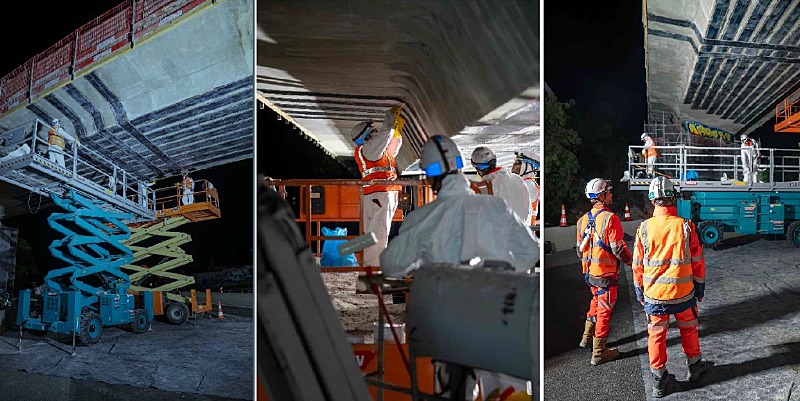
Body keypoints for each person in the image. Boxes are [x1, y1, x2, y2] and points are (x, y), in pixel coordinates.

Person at [380, 135, 537, 400]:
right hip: (500, 314)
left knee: (455, 390)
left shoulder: (423, 219)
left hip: (450, 322)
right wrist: (502, 279)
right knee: (508, 391)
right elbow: (530, 251)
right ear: (461, 167)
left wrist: (423, 265)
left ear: (429, 178)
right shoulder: (495, 207)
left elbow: (391, 266)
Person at [633, 176, 713, 398]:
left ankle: (659, 381)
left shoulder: (644, 229)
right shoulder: (686, 227)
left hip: (655, 296)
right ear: (674, 198)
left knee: (656, 335)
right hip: (683, 294)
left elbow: (637, 265)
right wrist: (700, 288)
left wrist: (639, 290)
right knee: (688, 329)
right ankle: (695, 366)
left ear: (652, 200)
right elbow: (697, 261)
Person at [576, 178, 632, 366]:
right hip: (605, 275)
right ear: (602, 195)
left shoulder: (582, 221)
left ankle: (586, 338)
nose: (612, 195)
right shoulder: (610, 218)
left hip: (590, 274)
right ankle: (599, 352)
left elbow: (579, 251)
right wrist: (633, 262)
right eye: (609, 192)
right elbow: (618, 249)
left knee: (595, 301)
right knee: (604, 311)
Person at [351, 106, 403, 291]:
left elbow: (392, 145)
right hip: (379, 196)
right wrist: (390, 118)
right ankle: (371, 283)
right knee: (377, 238)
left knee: (375, 237)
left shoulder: (375, 152)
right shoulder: (369, 149)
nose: (375, 133)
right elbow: (385, 135)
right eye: (372, 131)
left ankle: (367, 282)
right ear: (366, 136)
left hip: (379, 196)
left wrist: (397, 131)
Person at [469, 146, 532, 223]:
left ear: (479, 169)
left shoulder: (487, 186)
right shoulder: (517, 179)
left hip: (501, 228)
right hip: (522, 226)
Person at [511, 151, 540, 226]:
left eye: (517, 163)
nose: (513, 166)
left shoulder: (528, 185)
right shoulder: (526, 183)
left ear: (527, 166)